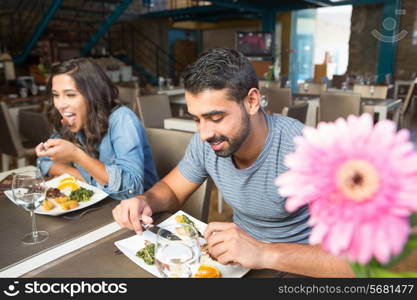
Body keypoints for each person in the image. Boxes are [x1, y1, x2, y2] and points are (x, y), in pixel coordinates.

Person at [112, 48, 353, 277]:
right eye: (196, 119)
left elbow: (358, 262)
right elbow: (173, 190)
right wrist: (146, 201)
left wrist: (263, 253)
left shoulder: (306, 150)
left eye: (216, 117)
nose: (205, 133)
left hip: (299, 270)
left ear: (252, 101)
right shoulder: (206, 142)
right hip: (238, 263)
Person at [36, 57, 158, 200]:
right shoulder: (71, 119)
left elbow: (131, 189)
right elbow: (43, 162)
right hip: (99, 206)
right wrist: (83, 176)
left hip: (141, 210)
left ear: (93, 94)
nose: (61, 105)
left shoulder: (122, 119)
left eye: (70, 95)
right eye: (56, 95)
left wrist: (78, 156)